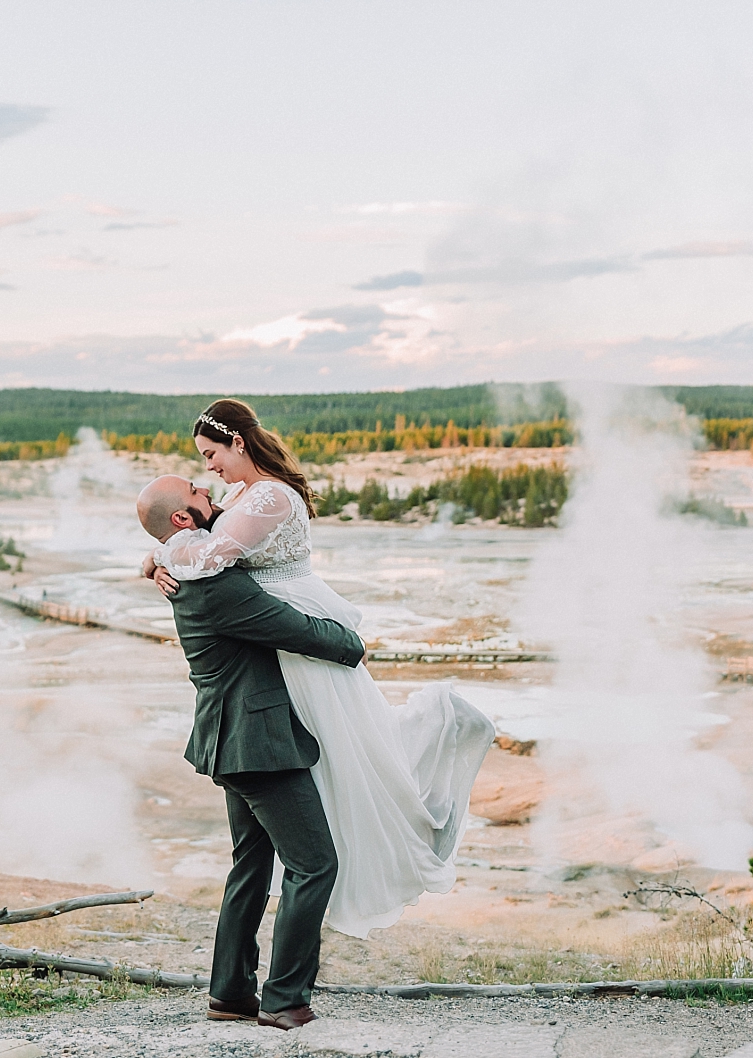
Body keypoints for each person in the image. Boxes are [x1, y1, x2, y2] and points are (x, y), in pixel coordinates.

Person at [139, 398, 495, 941]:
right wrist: (157, 554)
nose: (207, 470)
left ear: (238, 443)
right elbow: (195, 540)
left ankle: (394, 832)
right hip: (273, 640)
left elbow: (209, 554)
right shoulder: (238, 495)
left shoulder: (272, 496)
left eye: (210, 455)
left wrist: (162, 555)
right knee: (306, 792)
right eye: (200, 466)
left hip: (293, 625)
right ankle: (269, 986)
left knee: (348, 751)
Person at [136, 473, 366, 1029]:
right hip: (259, 745)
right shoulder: (218, 586)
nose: (212, 497)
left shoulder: (188, 566)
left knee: (251, 865)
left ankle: (230, 994)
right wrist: (352, 640)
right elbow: (302, 632)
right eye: (199, 495)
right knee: (314, 866)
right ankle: (286, 999)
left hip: (227, 740)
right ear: (184, 521)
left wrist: (148, 560)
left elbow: (189, 545)